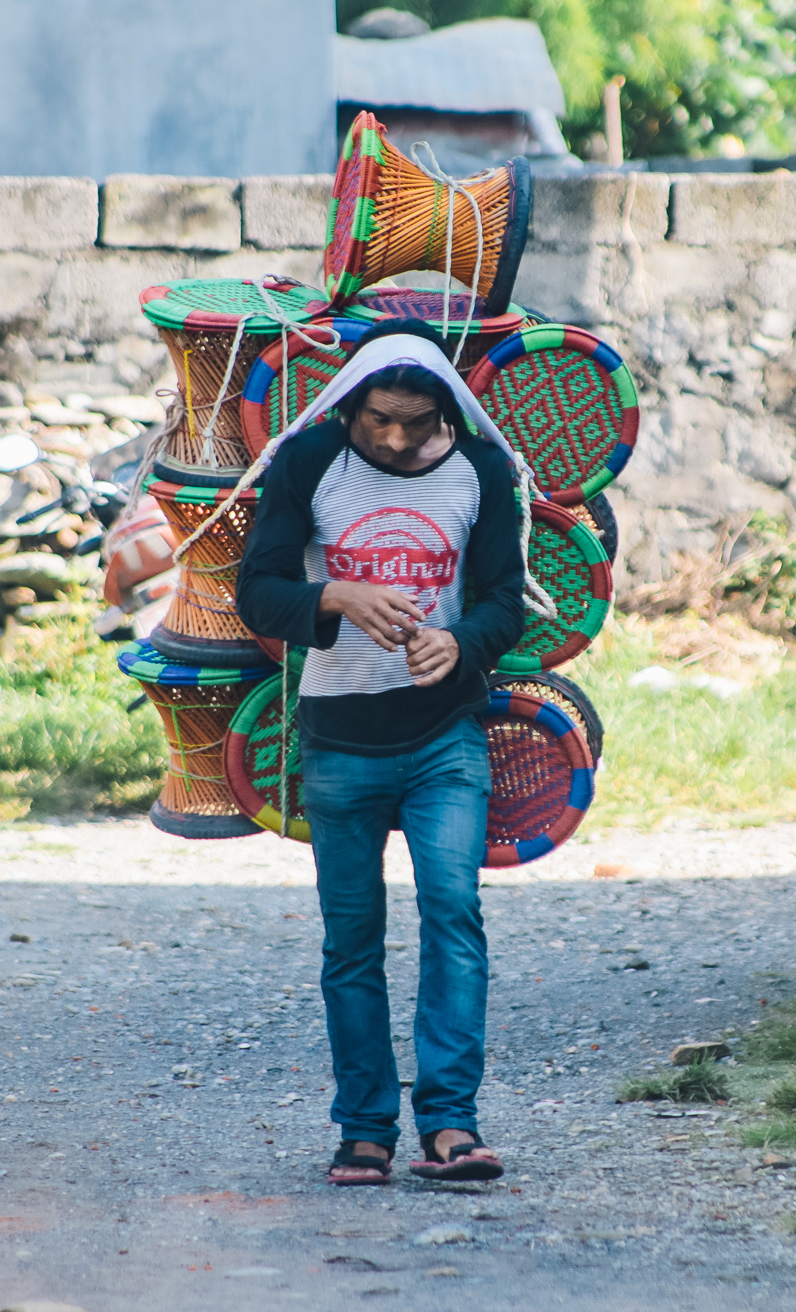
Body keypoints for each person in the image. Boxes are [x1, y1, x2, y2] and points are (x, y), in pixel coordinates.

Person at [236, 318, 526, 1187]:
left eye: (415, 419)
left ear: (446, 406)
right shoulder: (307, 461)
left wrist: (464, 643)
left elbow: (507, 601)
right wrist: (337, 596)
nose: (395, 437)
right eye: (378, 420)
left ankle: (449, 1125)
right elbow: (259, 591)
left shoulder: (482, 469)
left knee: (454, 917)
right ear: (351, 403)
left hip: (445, 739)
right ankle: (364, 1128)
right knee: (352, 942)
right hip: (339, 744)